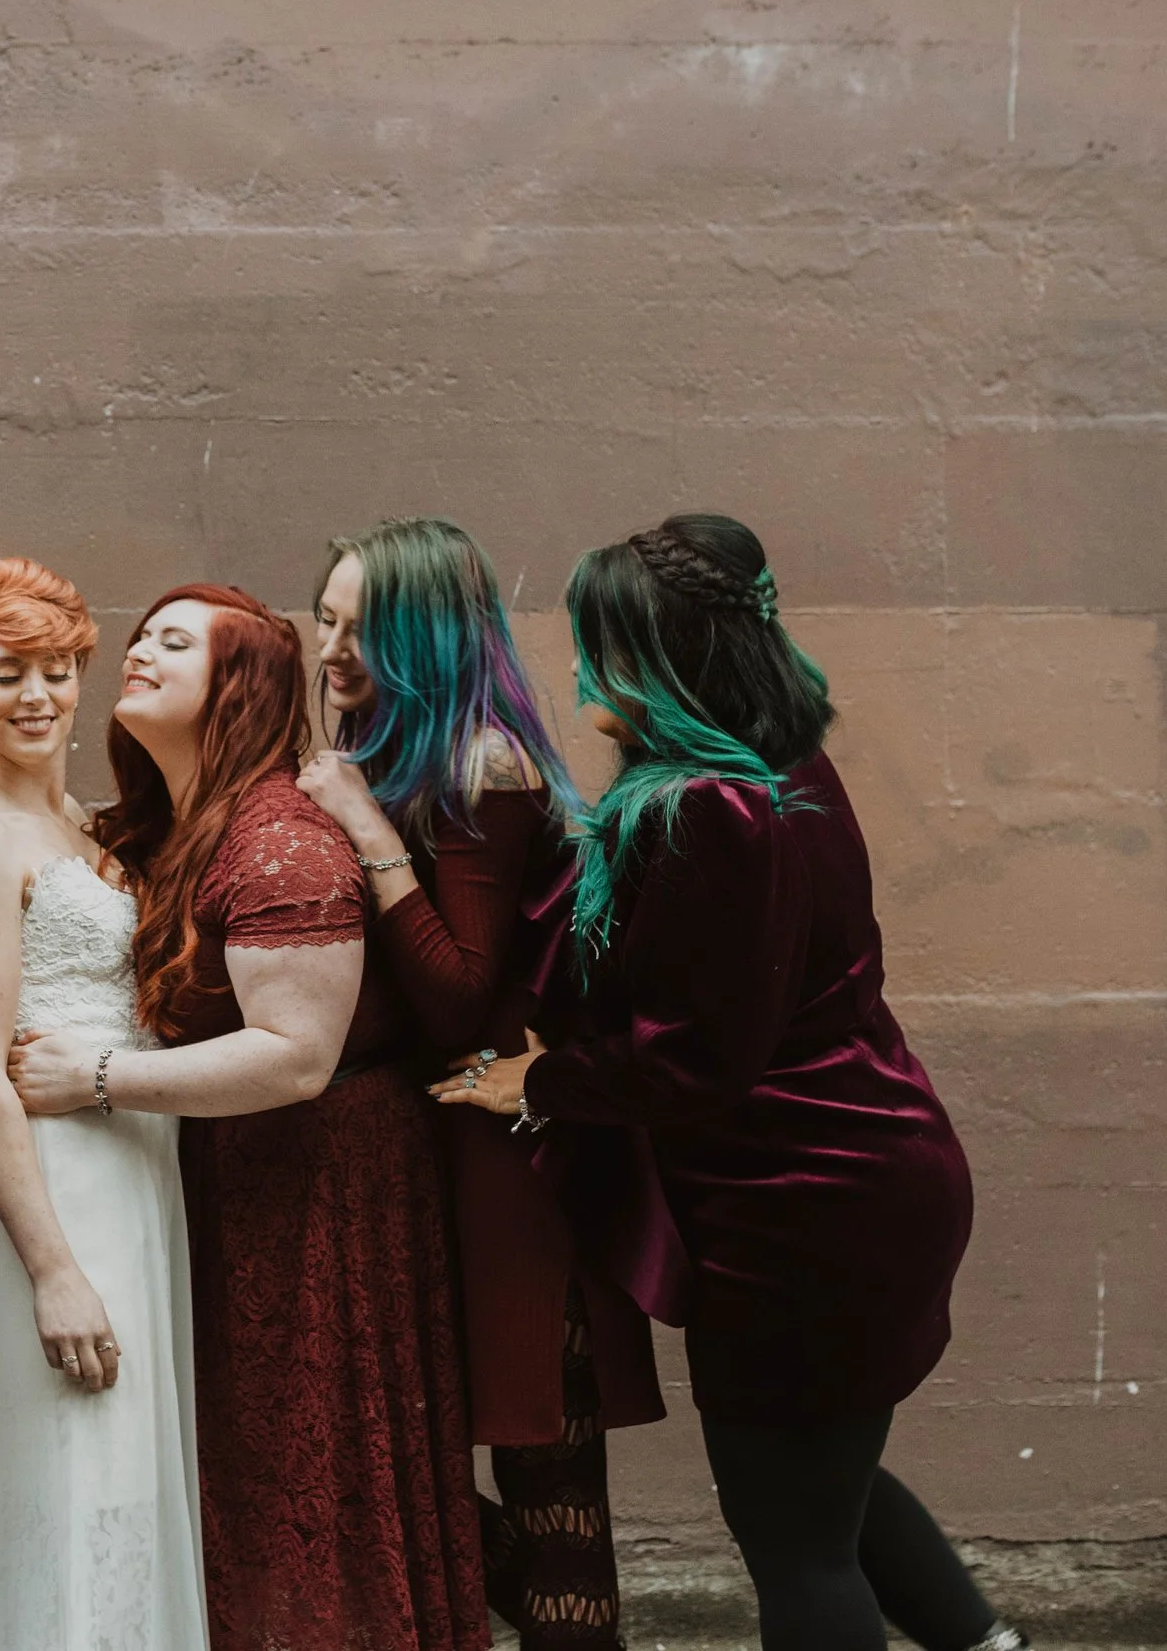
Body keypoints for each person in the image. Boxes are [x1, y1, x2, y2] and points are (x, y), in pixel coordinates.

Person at [441, 515, 1030, 1651]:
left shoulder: (712, 813)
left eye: (601, 645)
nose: (578, 669)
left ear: (658, 658)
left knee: (793, 1539)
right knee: (828, 1488)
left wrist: (540, 1077)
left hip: (801, 1211)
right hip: (871, 1173)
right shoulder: (782, 771)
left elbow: (697, 1060)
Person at [10, 584, 491, 1651]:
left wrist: (94, 1077)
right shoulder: (173, 826)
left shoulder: (282, 844)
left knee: (302, 1464)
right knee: (238, 1460)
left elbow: (296, 1054)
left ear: (235, 687)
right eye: (141, 635)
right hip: (235, 1181)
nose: (139, 652)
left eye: (174, 643)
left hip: (322, 1195)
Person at [297, 517, 665, 1650]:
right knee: (379, 1462)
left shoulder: (481, 765)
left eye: (368, 628)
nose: (334, 651)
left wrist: (365, 829)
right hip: (441, 1163)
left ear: (434, 641)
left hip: (517, 1183)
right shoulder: (401, 756)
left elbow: (457, 993)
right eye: (327, 618)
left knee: (554, 1505)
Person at [0, 558, 207, 1649]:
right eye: (7, 672)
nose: (34, 694)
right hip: (53, 1194)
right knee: (69, 1468)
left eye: (55, 669)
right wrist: (51, 1270)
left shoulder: (95, 831)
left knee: (127, 1468)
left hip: (141, 1178)